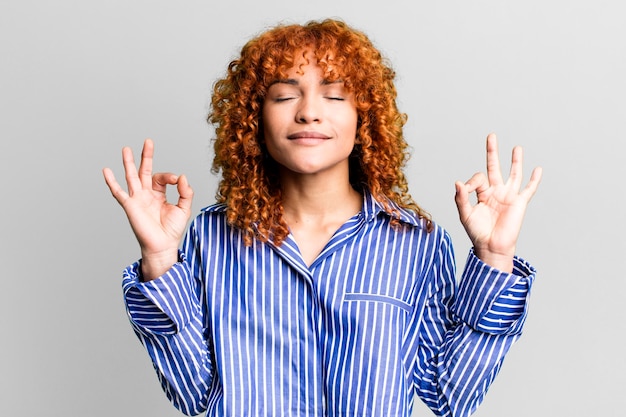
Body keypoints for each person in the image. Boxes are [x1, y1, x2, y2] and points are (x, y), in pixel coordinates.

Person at [103, 18, 542, 417]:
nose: (309, 111)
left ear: (364, 119)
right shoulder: (212, 236)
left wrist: (493, 256)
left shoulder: (416, 243)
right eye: (285, 94)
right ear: (253, 118)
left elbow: (452, 394)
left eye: (334, 94)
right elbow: (192, 391)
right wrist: (160, 258)